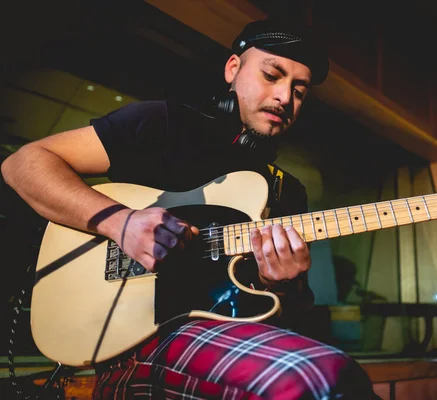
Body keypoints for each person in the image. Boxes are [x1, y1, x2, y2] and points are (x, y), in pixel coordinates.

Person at [1, 18, 379, 399]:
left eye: (300, 91)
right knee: (316, 377)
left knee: (333, 378)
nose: (285, 97)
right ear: (233, 69)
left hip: (221, 338)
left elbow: (286, 317)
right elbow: (23, 164)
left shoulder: (287, 192)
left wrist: (282, 284)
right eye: (271, 75)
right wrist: (122, 223)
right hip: (129, 343)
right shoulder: (166, 125)